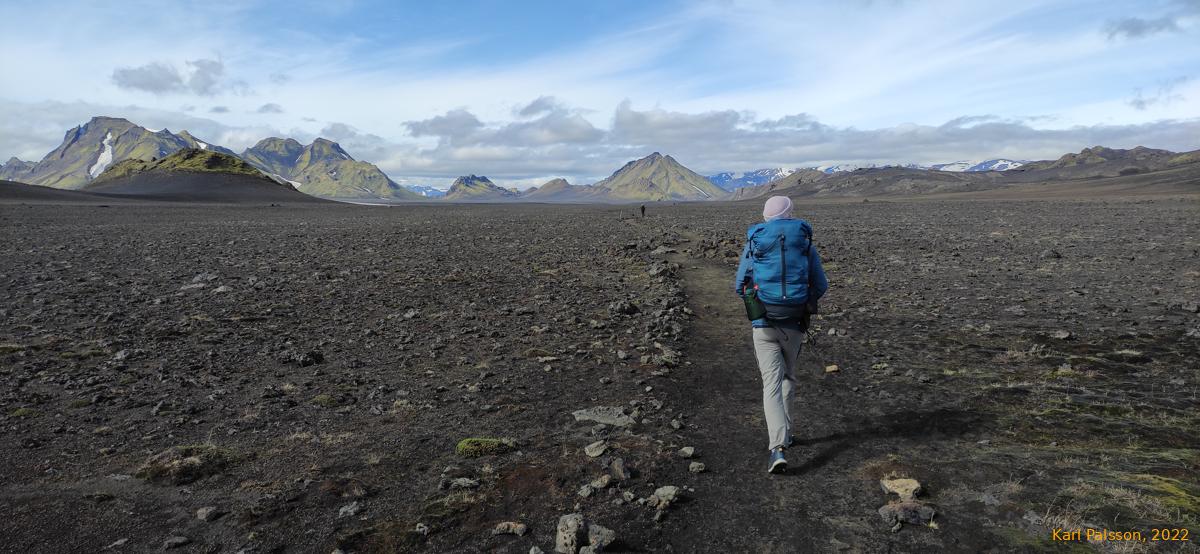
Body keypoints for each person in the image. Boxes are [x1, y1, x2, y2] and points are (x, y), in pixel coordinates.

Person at [733, 195, 829, 474]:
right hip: (794, 324)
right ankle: (786, 433)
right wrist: (802, 304)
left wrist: (754, 301)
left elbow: (740, 284)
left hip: (763, 323)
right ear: (790, 213)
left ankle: (778, 447)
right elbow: (821, 284)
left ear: (766, 216)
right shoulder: (805, 244)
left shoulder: (755, 242)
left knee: (771, 384)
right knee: (788, 376)